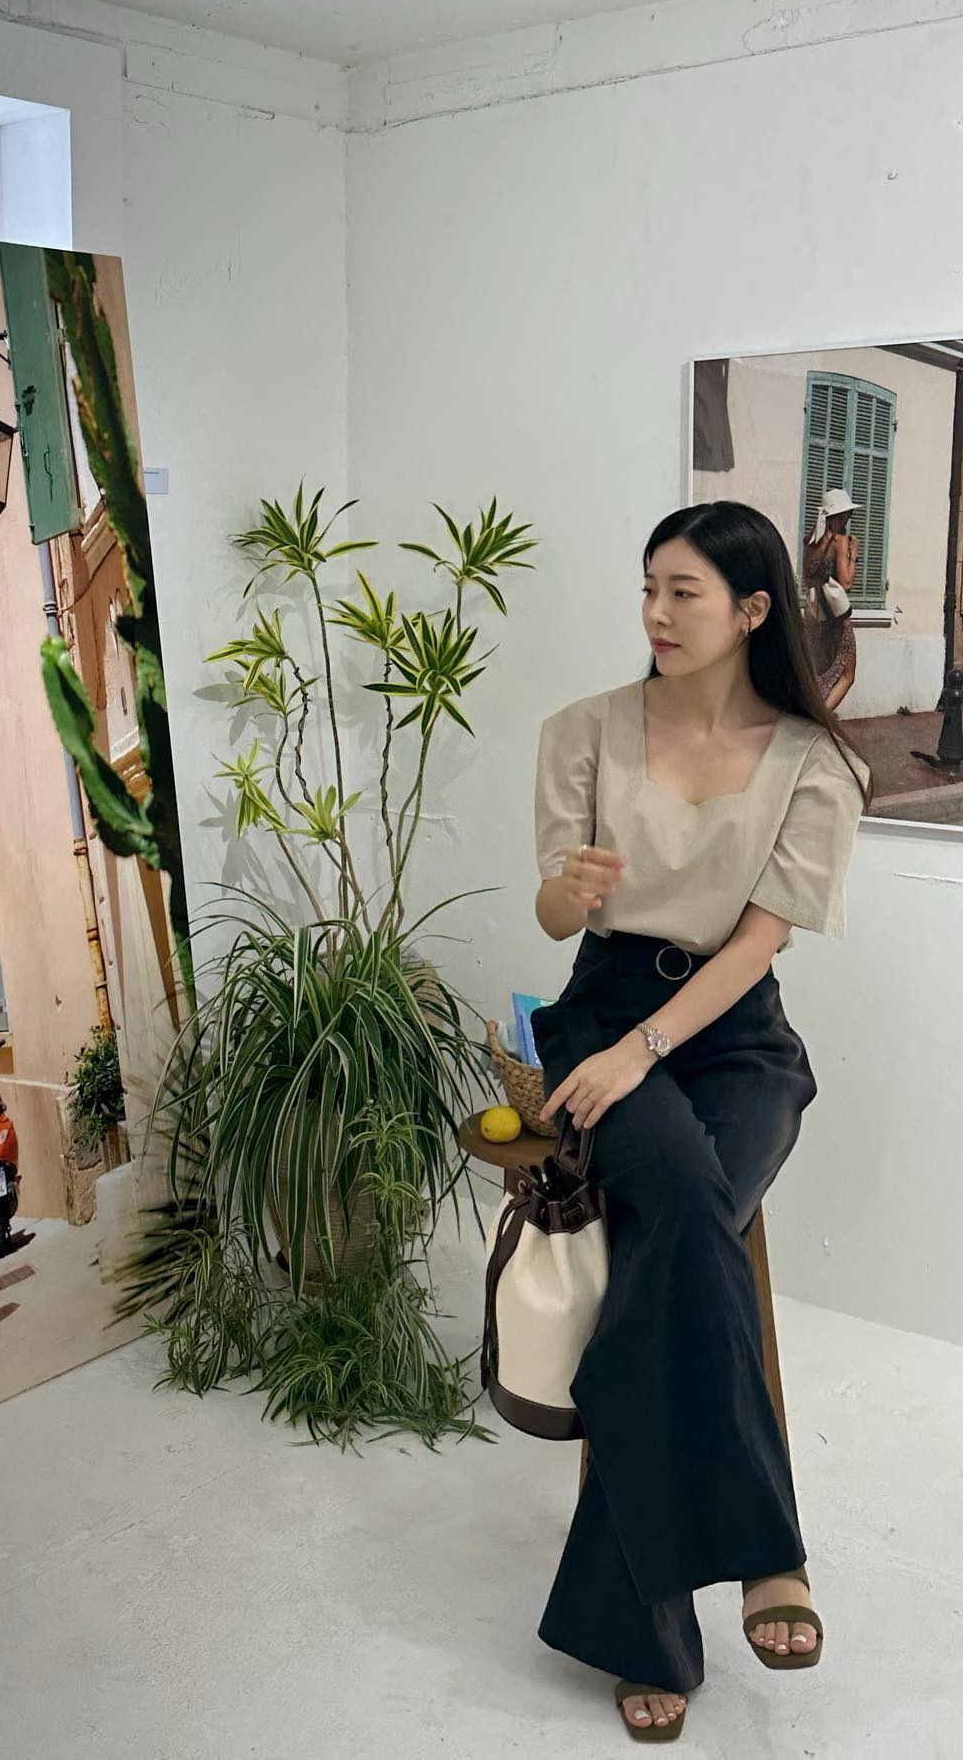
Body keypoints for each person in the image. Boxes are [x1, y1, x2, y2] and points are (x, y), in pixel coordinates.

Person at [527, 501, 871, 1742]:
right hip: (600, 1005)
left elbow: (757, 942)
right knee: (683, 1207)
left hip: (734, 1033)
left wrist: (646, 1052)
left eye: (684, 592)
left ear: (752, 608)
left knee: (675, 1235)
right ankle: (770, 1549)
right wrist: (565, 892)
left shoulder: (816, 763)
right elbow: (557, 919)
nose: (657, 614)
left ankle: (645, 1621)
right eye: (649, 589)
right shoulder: (583, 729)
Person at [799, 488, 859, 712]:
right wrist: (853, 554)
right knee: (847, 674)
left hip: (814, 611)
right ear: (840, 515)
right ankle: (820, 718)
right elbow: (846, 583)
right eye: (848, 514)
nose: (849, 518)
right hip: (834, 612)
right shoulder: (839, 540)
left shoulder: (810, 540)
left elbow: (808, 576)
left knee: (818, 669)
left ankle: (809, 712)